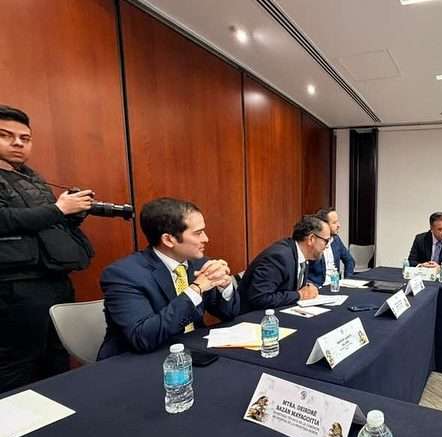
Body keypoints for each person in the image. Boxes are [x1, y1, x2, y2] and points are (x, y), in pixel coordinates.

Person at [0, 105, 96, 393]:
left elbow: (46, 224)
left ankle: (61, 411)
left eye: (25, 138)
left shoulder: (32, 178)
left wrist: (72, 214)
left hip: (54, 279)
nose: (18, 143)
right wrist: (58, 209)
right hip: (14, 286)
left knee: (56, 356)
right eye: (6, 136)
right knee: (18, 364)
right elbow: (5, 220)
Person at [99, 197, 239, 359]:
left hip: (191, 352)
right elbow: (142, 337)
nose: (205, 239)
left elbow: (229, 315)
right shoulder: (124, 275)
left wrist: (225, 286)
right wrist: (195, 290)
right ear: (168, 239)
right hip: (134, 360)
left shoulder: (198, 263)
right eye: (198, 233)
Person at [239, 216, 330, 312]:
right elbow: (260, 298)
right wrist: (300, 295)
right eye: (326, 241)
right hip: (252, 316)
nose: (327, 246)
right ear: (311, 239)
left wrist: (308, 288)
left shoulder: (302, 256)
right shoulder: (280, 257)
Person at [307, 207, 355, 286]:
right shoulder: (313, 241)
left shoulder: (336, 239)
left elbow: (349, 260)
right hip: (318, 287)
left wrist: (347, 279)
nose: (339, 225)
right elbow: (301, 271)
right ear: (324, 225)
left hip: (335, 285)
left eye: (338, 221)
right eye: (334, 223)